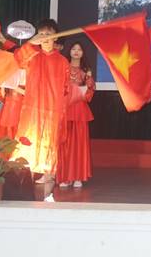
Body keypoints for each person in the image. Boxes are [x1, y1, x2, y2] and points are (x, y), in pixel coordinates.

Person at [11, 19, 69, 184]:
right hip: (32, 106)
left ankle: (48, 174)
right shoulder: (32, 56)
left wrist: (62, 109)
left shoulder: (63, 62)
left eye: (48, 34)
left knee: (48, 140)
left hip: (52, 108)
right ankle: (25, 174)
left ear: (56, 37)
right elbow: (17, 59)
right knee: (28, 137)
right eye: (41, 33)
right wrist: (30, 43)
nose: (44, 37)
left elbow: (66, 89)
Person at [57, 41, 95, 188]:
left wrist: (88, 81)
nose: (76, 51)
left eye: (79, 49)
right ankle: (65, 176)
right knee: (64, 144)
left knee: (79, 144)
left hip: (80, 110)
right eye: (74, 49)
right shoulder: (63, 68)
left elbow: (89, 94)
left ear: (83, 53)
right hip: (65, 109)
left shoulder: (86, 71)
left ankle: (78, 176)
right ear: (69, 51)